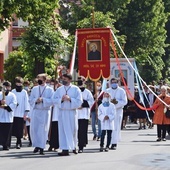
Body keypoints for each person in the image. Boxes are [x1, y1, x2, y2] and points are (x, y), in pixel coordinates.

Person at [52, 73, 83, 156]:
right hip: (62, 112)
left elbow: (79, 101)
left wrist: (70, 99)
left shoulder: (76, 89)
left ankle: (74, 147)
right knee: (63, 131)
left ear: (69, 80)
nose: (63, 80)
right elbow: (54, 100)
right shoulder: (59, 89)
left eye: (65, 79)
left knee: (73, 130)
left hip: (71, 112)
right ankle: (64, 149)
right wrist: (61, 100)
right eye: (63, 79)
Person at [29, 73, 54, 155]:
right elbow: (31, 99)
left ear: (45, 80)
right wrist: (36, 100)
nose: (39, 80)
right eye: (38, 78)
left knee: (43, 130)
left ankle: (42, 146)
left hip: (45, 111)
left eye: (40, 79)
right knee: (35, 129)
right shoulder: (35, 89)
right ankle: (36, 145)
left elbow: (52, 100)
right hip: (36, 111)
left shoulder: (50, 90)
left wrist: (43, 100)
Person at [106, 78, 127, 150]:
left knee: (116, 127)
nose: (114, 84)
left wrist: (116, 102)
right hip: (109, 111)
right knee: (109, 127)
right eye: (112, 82)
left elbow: (125, 101)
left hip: (118, 111)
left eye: (115, 82)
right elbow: (104, 100)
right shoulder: (108, 91)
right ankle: (109, 142)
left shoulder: (121, 91)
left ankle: (114, 143)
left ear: (117, 83)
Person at [11, 77, 30, 149]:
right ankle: (13, 140)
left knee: (20, 128)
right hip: (14, 112)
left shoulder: (24, 92)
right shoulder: (13, 91)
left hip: (21, 112)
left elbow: (26, 102)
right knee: (14, 128)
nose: (18, 84)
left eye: (20, 83)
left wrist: (26, 113)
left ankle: (19, 141)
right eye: (17, 83)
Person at [77, 76, 94, 153]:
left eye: (81, 80)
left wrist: (83, 104)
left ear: (84, 82)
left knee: (82, 131)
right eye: (78, 80)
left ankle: (81, 146)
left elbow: (91, 102)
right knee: (75, 130)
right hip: (75, 114)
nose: (80, 82)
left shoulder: (87, 92)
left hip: (83, 114)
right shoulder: (75, 90)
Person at [0, 81, 17, 150]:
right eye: (4, 87)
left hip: (8, 115)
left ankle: (6, 145)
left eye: (7, 87)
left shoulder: (12, 95)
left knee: (7, 131)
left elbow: (14, 104)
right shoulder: (0, 94)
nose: (6, 88)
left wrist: (6, 106)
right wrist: (0, 103)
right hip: (0, 115)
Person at [48, 80, 62, 152]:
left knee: (58, 131)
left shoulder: (61, 91)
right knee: (52, 130)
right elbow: (51, 100)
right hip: (53, 114)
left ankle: (57, 145)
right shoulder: (52, 92)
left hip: (59, 113)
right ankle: (51, 144)